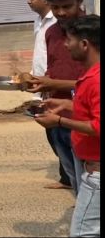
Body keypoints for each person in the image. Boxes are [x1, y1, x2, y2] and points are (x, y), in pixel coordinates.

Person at [34, 15, 99, 237]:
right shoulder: (90, 75)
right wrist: (66, 104)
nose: (65, 44)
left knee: (83, 232)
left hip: (97, 174)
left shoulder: (96, 80)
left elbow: (98, 126)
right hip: (90, 167)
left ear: (84, 44)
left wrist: (59, 121)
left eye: (69, 40)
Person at [26, 0, 87, 194]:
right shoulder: (51, 32)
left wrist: (51, 82)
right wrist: (41, 84)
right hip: (57, 110)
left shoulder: (92, 31)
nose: (61, 13)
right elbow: (54, 67)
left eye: (67, 6)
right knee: (73, 174)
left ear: (79, 1)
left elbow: (93, 82)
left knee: (89, 176)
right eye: (56, 7)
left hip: (84, 114)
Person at [26, 0, 69, 188]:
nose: (29, 2)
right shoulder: (40, 22)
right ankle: (68, 176)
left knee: (61, 131)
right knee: (52, 132)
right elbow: (42, 55)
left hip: (58, 84)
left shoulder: (58, 23)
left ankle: (71, 176)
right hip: (44, 83)